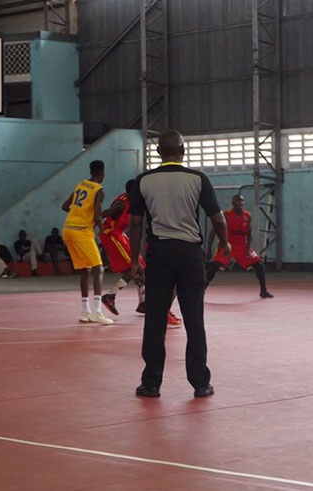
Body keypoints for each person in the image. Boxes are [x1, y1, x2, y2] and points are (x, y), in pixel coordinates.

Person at [128, 130, 229, 399]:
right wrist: (225, 243)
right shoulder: (198, 179)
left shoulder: (144, 181)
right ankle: (200, 383)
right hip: (189, 254)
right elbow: (218, 219)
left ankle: (151, 383)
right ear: (183, 151)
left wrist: (133, 261)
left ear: (158, 152)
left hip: (158, 254)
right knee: (194, 318)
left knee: (155, 319)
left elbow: (135, 223)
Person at [99, 180, 181, 327]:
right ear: (131, 192)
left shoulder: (133, 200)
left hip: (119, 234)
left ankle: (142, 303)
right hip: (111, 235)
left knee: (140, 265)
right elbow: (104, 214)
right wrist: (94, 222)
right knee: (133, 267)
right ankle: (110, 295)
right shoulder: (121, 204)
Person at [61, 160, 113, 324]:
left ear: (91, 171)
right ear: (102, 174)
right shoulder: (99, 189)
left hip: (68, 229)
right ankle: (97, 311)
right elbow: (97, 216)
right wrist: (103, 229)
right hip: (81, 231)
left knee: (86, 270)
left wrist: (79, 213)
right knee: (99, 268)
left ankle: (85, 312)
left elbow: (65, 206)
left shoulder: (81, 184)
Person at [204, 194, 273, 298]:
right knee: (214, 266)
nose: (240, 203)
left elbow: (249, 234)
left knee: (259, 265)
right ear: (232, 203)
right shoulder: (226, 215)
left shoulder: (247, 216)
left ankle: (263, 290)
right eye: (237, 201)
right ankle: (201, 290)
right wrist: (209, 249)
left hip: (242, 246)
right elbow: (213, 231)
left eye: (241, 200)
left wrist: (248, 249)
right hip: (227, 246)